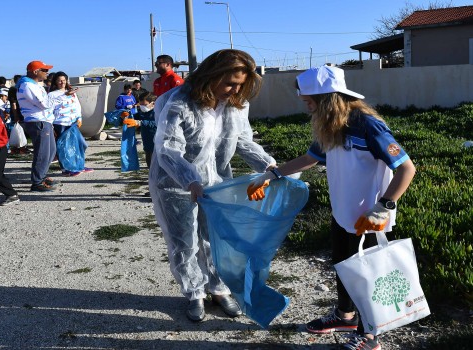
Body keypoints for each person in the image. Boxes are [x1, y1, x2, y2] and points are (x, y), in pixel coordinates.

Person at [246, 65, 416, 350]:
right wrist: (271, 174)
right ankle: (345, 316)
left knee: (368, 274)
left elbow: (407, 169)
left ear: (327, 98)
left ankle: (370, 335)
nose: (307, 106)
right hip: (343, 212)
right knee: (343, 264)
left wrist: (384, 206)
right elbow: (309, 159)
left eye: (309, 101)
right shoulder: (332, 125)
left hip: (369, 216)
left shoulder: (367, 125)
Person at [149, 49, 276, 322]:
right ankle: (194, 293)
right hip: (174, 182)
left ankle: (218, 289)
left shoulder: (234, 104)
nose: (235, 89)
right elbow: (169, 148)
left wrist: (267, 165)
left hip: (216, 182)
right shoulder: (177, 102)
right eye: (230, 83)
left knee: (215, 238)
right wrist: (190, 180)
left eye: (240, 84)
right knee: (184, 241)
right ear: (211, 76)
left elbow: (242, 140)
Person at [17, 60, 65, 192]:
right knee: (43, 153)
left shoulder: (34, 84)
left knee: (50, 151)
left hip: (44, 121)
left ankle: (41, 177)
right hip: (38, 121)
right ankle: (37, 182)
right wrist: (57, 98)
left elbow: (45, 102)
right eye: (44, 70)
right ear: (35, 71)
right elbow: (43, 104)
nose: (47, 72)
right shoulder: (27, 85)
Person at [48, 71, 91, 176]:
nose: (62, 82)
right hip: (60, 123)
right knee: (64, 147)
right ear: (55, 82)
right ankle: (66, 169)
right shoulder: (52, 95)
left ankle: (78, 165)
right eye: (59, 80)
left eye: (64, 80)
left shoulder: (71, 92)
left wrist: (79, 118)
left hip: (72, 123)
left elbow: (77, 106)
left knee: (81, 144)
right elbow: (49, 108)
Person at [128, 91, 157, 168]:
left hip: (156, 140)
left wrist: (141, 123)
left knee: (157, 162)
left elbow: (157, 123)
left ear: (152, 104)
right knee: (149, 161)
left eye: (144, 105)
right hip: (147, 140)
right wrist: (129, 114)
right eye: (140, 105)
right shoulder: (142, 112)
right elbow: (136, 117)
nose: (142, 107)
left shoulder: (157, 112)